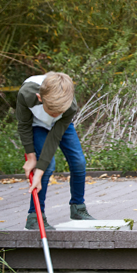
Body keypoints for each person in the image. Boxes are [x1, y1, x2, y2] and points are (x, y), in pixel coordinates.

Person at [16, 71, 95, 230]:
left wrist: (39, 170)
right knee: (48, 166)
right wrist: (32, 158)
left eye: (59, 112)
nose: (55, 115)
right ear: (40, 98)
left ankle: (78, 208)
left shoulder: (69, 105)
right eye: (52, 111)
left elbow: (54, 137)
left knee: (79, 162)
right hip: (37, 125)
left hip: (62, 126)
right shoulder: (26, 94)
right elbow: (23, 126)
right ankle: (34, 217)